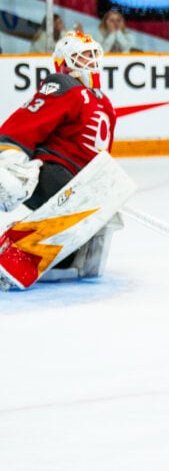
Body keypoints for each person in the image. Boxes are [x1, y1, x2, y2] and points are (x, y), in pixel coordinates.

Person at [0, 32, 121, 287]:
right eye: (82, 56)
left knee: (84, 253)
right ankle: (11, 252)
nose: (89, 61)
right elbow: (30, 118)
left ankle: (33, 248)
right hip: (53, 173)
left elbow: (102, 158)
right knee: (77, 213)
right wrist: (10, 150)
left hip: (81, 182)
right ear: (65, 62)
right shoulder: (64, 84)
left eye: (92, 55)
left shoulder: (106, 104)